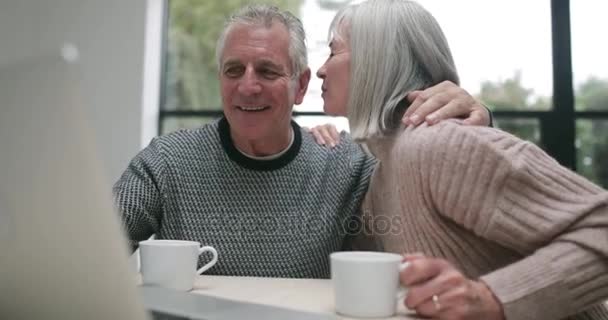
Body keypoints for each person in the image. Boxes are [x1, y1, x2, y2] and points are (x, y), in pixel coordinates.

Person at [114, 4, 490, 279]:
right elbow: (94, 246)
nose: (247, 85)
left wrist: (477, 116)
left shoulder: (348, 164)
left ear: (301, 85)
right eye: (233, 70)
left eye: (267, 70)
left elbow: (428, 172)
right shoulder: (166, 161)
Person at [316, 0, 608, 319]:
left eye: (333, 51)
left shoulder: (438, 146)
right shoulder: (384, 171)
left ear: (376, 60)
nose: (320, 69)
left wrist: (492, 298)